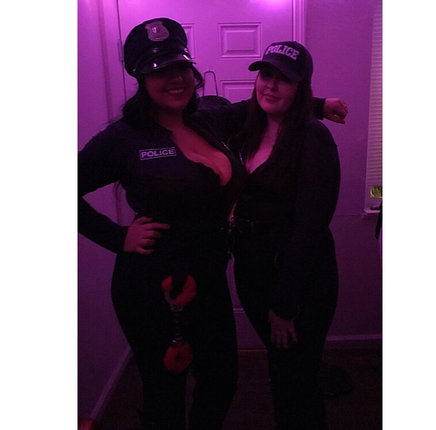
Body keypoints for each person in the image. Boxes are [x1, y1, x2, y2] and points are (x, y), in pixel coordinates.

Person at [79, 17, 347, 430]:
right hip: (153, 284)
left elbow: (263, 104)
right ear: (140, 78)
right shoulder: (124, 137)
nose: (175, 79)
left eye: (181, 67)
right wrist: (117, 237)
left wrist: (319, 104)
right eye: (159, 71)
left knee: (221, 381)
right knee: (165, 393)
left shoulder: (208, 119)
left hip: (210, 279)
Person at [230, 41, 341, 430]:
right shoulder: (248, 126)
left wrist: (284, 304)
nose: (271, 85)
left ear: (301, 87)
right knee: (282, 367)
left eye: (284, 79)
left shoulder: (313, 139)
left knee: (297, 378)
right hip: (253, 271)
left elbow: (311, 228)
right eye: (266, 75)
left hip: (299, 281)